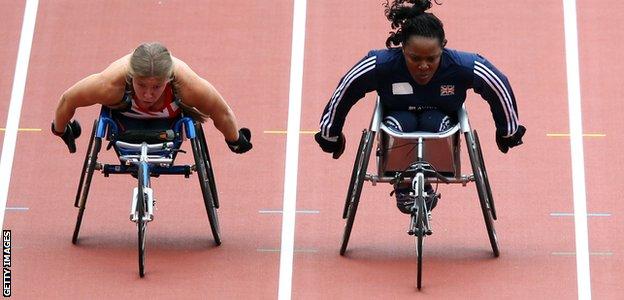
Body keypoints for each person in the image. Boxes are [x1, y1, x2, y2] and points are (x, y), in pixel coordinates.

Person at [314, 0, 525, 214]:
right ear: (403, 48)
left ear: (443, 48)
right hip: (397, 117)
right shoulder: (381, 64)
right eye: (414, 58)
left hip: (441, 119)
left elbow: (498, 85)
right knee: (399, 125)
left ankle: (427, 177)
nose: (423, 66)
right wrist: (331, 133)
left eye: (431, 59)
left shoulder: (462, 66)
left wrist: (508, 130)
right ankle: (404, 184)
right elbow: (347, 87)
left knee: (436, 124)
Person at [52, 42, 252, 154]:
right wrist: (61, 130)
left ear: (169, 79)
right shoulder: (111, 84)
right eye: (141, 85)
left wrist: (235, 140)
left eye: (157, 87)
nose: (148, 94)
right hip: (124, 123)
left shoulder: (187, 86)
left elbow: (221, 112)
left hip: (169, 125)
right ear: (131, 77)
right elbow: (67, 100)